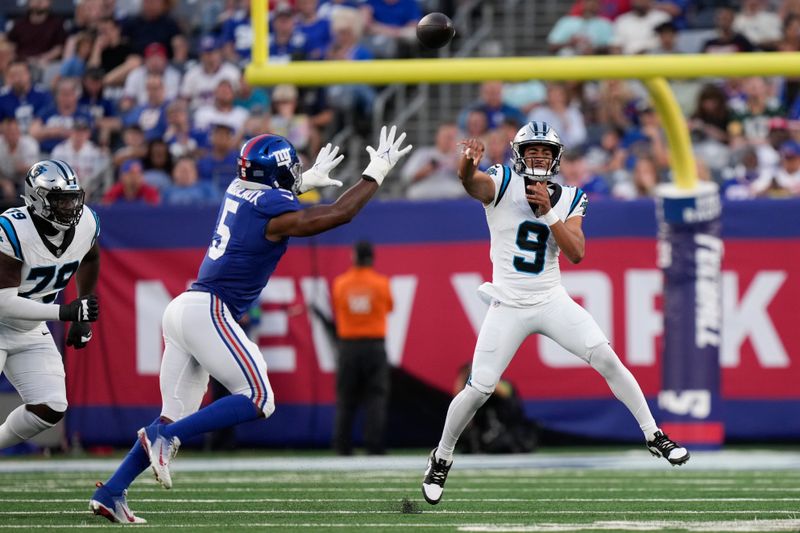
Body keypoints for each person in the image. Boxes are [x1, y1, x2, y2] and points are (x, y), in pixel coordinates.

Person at [89, 125, 412, 524]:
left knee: (172, 418)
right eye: (291, 170)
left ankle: (112, 490)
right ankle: (162, 438)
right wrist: (375, 172)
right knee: (259, 398)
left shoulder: (238, 189)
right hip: (209, 310)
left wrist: (304, 183)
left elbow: (274, 198)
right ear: (274, 176)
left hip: (184, 309)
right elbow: (338, 214)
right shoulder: (272, 208)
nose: (296, 173)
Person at [421, 121, 689, 506]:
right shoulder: (503, 180)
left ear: (556, 157)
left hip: (550, 298)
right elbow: (472, 183)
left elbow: (577, 252)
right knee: (478, 390)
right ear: (520, 153)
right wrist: (466, 164)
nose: (539, 157)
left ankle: (653, 435)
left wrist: (548, 213)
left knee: (606, 357)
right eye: (533, 150)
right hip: (509, 302)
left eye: (546, 151)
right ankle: (442, 457)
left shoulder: (570, 197)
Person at [0, 160, 100, 451]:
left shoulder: (87, 223)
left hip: (29, 328)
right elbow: (4, 303)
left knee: (51, 406)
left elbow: (90, 258)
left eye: (73, 198)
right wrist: (67, 312)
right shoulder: (12, 229)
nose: (70, 207)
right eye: (60, 200)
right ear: (36, 199)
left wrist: (81, 312)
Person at [330, 240, 393, 456]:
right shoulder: (381, 283)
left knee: (346, 397)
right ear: (372, 258)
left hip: (348, 346)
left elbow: (338, 306)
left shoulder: (340, 283)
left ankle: (342, 445)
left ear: (354, 257)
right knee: (376, 396)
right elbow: (389, 306)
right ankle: (374, 445)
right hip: (374, 346)